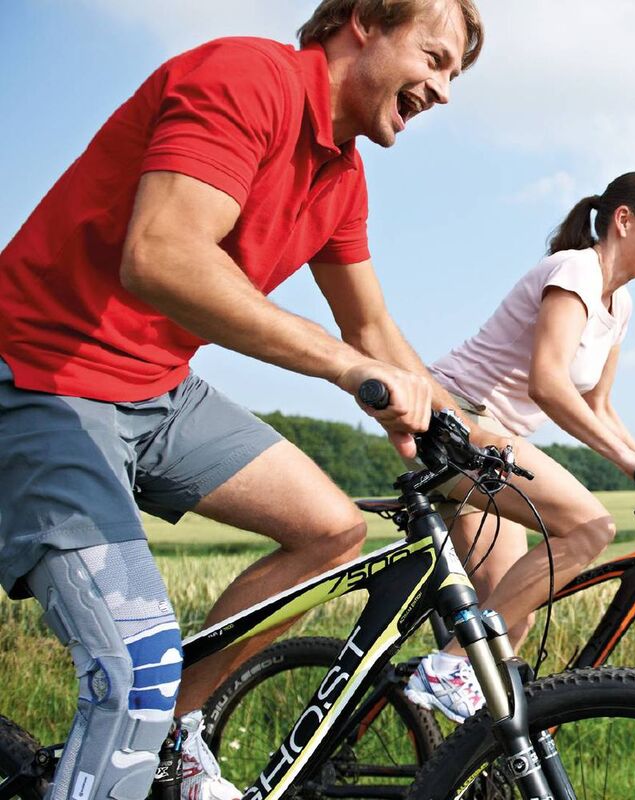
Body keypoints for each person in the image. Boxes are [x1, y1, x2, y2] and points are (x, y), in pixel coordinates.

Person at [0, 2, 483, 799]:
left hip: (155, 386)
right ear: (362, 21)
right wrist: (348, 372)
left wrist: (469, 436)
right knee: (134, 670)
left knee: (331, 531)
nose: (442, 90)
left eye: (453, 74)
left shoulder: (341, 171)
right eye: (433, 58)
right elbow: (161, 256)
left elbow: (369, 321)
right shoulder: (246, 79)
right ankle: (139, 721)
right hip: (46, 375)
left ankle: (166, 741)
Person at [404, 172, 635, 723]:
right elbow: (548, 384)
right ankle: (446, 668)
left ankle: (456, 759)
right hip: (455, 419)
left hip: (495, 442)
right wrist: (627, 462)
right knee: (590, 528)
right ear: (624, 220)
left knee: (516, 611)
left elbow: (599, 406)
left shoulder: (618, 305)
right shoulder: (575, 270)